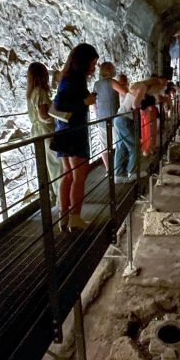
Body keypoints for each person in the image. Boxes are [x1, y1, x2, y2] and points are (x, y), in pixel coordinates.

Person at [51, 43, 99, 231]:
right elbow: (62, 105)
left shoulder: (68, 79)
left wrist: (85, 101)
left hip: (65, 133)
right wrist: (84, 102)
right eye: (92, 63)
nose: (94, 67)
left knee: (69, 176)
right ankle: (75, 218)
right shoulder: (72, 81)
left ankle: (65, 218)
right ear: (83, 62)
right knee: (79, 176)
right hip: (74, 134)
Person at [26, 62, 64, 204]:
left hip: (36, 132)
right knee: (56, 166)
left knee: (45, 168)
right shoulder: (40, 92)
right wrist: (56, 118)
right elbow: (44, 115)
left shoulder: (31, 93)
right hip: (45, 132)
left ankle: (51, 199)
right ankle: (62, 200)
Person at [92, 62, 120, 172]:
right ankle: (118, 169)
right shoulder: (113, 82)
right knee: (119, 144)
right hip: (114, 118)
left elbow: (94, 101)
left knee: (104, 146)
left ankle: (109, 170)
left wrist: (97, 114)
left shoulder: (96, 84)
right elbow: (126, 93)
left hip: (102, 118)